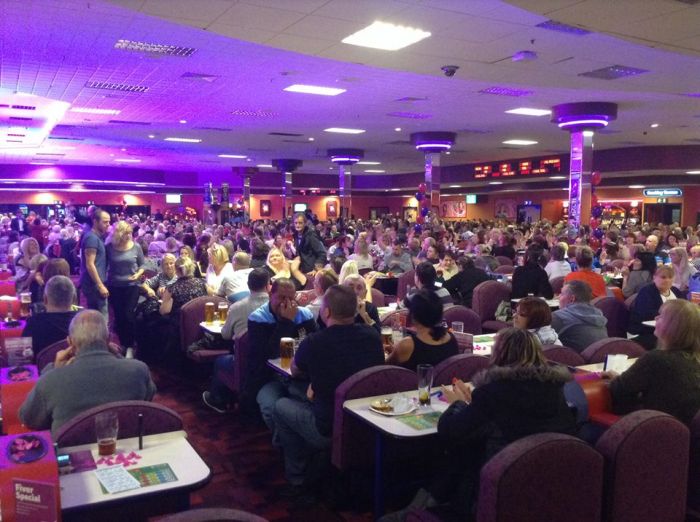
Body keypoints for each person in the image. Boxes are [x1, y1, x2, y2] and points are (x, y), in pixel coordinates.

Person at [384, 329, 575, 520]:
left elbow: (450, 431)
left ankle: (418, 509)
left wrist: (457, 404)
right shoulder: (557, 391)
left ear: (498, 354)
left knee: (457, 453)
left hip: (491, 488)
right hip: (548, 489)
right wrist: (472, 405)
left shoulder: (492, 394)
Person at [273, 285, 384, 502]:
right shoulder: (372, 336)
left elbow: (294, 370)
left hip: (328, 427)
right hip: (367, 421)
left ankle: (297, 478)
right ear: (354, 311)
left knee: (280, 405)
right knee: (302, 393)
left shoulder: (314, 341)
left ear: (326, 312)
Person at [19, 310, 156, 435]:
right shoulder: (139, 370)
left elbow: (29, 419)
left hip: (70, 457)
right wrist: (118, 357)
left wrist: (54, 369)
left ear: (70, 342)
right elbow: (147, 400)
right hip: (130, 452)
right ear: (109, 339)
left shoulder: (50, 380)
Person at [604, 299, 700, 426]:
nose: (656, 317)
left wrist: (616, 379)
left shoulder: (657, 359)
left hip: (659, 431)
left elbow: (620, 390)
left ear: (672, 326)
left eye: (661, 316)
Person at [248, 278, 317, 427]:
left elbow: (316, 348)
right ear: (270, 295)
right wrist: (286, 322)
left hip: (299, 376)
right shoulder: (258, 318)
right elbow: (267, 355)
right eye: (281, 297)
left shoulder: (305, 315)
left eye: (290, 298)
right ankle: (281, 443)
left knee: (314, 404)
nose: (285, 302)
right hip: (269, 377)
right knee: (270, 406)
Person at [202, 269, 272, 413]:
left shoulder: (236, 307)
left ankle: (218, 399)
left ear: (248, 285)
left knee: (220, 361)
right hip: (272, 361)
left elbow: (226, 335)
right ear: (268, 285)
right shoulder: (276, 306)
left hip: (243, 361)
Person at [387, 289, 458, 370]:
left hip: (413, 383)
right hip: (445, 383)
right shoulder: (452, 338)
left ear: (413, 316)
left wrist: (396, 350)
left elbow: (384, 369)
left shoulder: (407, 345)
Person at [106, 220, 145, 356]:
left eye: (130, 232)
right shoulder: (109, 247)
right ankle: (123, 344)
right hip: (114, 285)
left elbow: (143, 265)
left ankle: (130, 345)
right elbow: (103, 265)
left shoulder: (136, 246)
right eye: (126, 232)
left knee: (128, 315)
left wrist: (138, 274)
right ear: (119, 233)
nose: (129, 235)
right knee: (119, 316)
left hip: (132, 286)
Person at [628, 265, 684, 350]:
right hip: (646, 331)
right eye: (663, 277)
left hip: (672, 329)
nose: (667, 280)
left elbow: (685, 309)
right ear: (654, 278)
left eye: (670, 277)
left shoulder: (676, 292)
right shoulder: (646, 291)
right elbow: (646, 314)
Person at [21, 275, 78, 357]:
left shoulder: (34, 323)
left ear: (45, 299)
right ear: (74, 298)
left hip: (42, 369)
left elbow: (24, 356)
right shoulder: (85, 322)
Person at [160, 257, 208, 351]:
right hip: (202, 325)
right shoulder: (203, 284)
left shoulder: (172, 288)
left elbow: (164, 311)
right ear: (192, 268)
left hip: (180, 328)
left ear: (176, 270)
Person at [551, 280, 608, 353]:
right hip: (599, 360)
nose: (558, 297)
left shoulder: (559, 317)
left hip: (571, 362)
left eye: (561, 294)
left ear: (572, 299)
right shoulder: (600, 316)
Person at [79, 208, 111, 318]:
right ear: (95, 221)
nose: (108, 224)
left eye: (109, 222)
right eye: (105, 222)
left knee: (96, 317)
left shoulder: (98, 237)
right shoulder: (91, 238)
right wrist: (100, 285)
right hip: (94, 285)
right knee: (101, 318)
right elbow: (90, 264)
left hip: (94, 283)